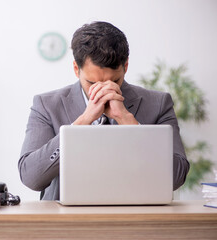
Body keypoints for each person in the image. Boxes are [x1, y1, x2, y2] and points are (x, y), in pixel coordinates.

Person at [18, 21, 189, 200]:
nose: (103, 90)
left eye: (114, 81)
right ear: (76, 69)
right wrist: (81, 123)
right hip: (66, 222)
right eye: (92, 83)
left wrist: (128, 121)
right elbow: (31, 177)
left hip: (137, 217)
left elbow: (176, 177)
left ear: (126, 66)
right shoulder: (47, 105)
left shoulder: (158, 104)